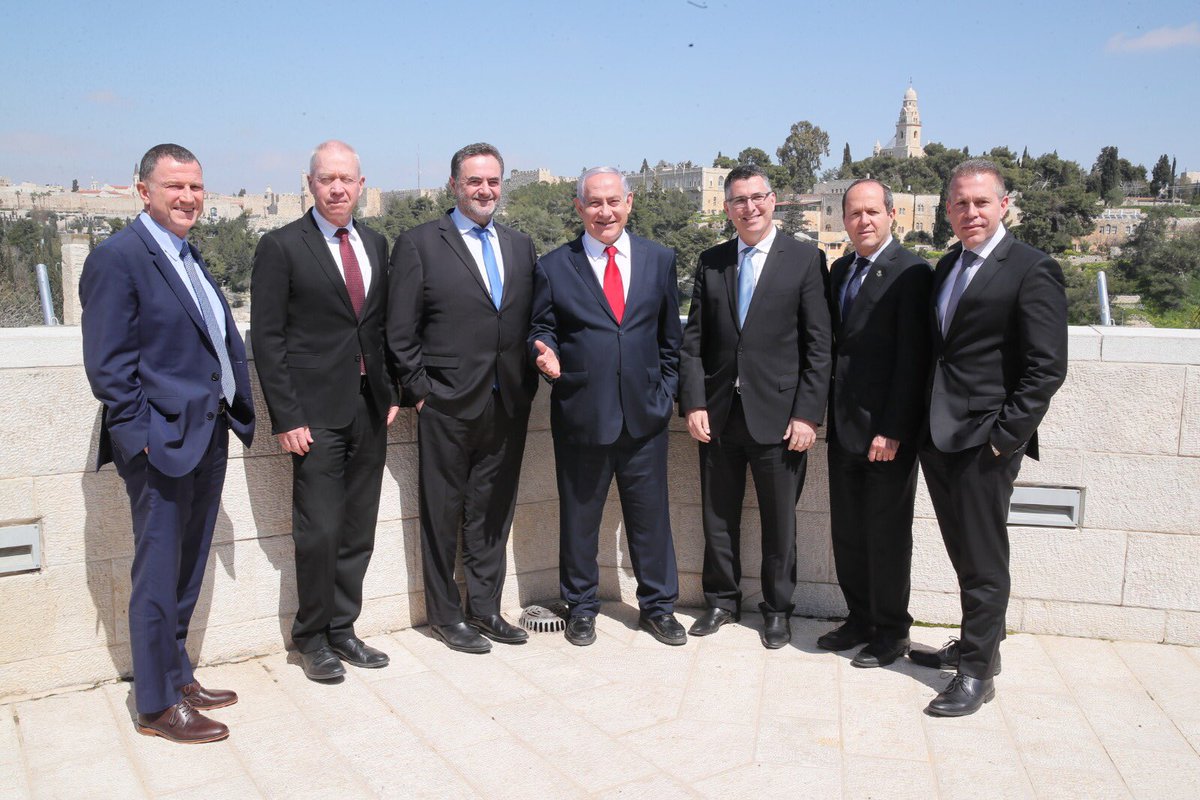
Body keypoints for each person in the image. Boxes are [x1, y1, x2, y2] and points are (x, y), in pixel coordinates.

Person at [81, 143, 255, 743]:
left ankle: (176, 675)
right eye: (174, 186)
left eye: (195, 187)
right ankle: (155, 705)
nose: (187, 198)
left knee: (186, 566)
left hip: (206, 432)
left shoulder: (186, 253)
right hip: (162, 444)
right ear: (143, 191)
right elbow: (108, 368)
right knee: (157, 576)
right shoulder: (118, 258)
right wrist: (143, 439)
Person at [916, 159, 1067, 716]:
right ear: (947, 209)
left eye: (981, 202)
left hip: (985, 441)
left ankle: (977, 673)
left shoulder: (1032, 268)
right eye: (960, 203)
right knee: (963, 551)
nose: (970, 212)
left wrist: (1005, 438)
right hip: (939, 436)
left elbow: (1046, 367)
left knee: (983, 557)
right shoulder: (947, 263)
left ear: (1004, 205)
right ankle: (979, 644)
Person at [251, 140, 397, 681]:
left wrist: (391, 390)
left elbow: (379, 326)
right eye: (326, 178)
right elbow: (268, 338)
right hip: (312, 413)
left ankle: (343, 629)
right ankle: (311, 638)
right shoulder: (281, 246)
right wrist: (286, 416)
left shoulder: (376, 243)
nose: (337, 188)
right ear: (309, 183)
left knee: (358, 527)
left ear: (361, 185)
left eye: (346, 179)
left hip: (369, 407)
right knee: (318, 529)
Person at [388, 143, 538, 654]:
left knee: (493, 511)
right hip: (446, 404)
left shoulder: (520, 245)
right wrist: (421, 393)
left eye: (493, 181)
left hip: (508, 401)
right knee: (442, 513)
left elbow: (527, 319)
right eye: (474, 181)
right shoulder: (419, 244)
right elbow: (400, 330)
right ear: (454, 185)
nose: (485, 190)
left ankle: (486, 608)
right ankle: (445, 616)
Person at [529, 167, 685, 647]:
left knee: (651, 518)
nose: (605, 212)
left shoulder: (660, 259)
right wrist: (544, 352)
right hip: (582, 413)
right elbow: (542, 327)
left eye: (613, 201)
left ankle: (658, 608)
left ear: (629, 203)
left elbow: (671, 339)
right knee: (580, 518)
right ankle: (581, 607)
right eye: (594, 203)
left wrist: (665, 393)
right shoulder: (554, 266)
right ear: (579, 207)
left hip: (645, 416)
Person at [679, 164, 831, 649]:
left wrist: (807, 414)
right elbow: (693, 342)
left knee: (779, 522)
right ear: (727, 209)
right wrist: (693, 403)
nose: (750, 207)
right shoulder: (712, 262)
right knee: (717, 518)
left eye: (757, 197)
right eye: (739, 200)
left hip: (781, 418)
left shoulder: (804, 259)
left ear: (772, 200)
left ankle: (777, 610)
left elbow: (819, 345)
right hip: (719, 414)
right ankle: (721, 602)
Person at [817, 179, 932, 666]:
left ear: (891, 216)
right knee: (848, 531)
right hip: (843, 427)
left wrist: (893, 428)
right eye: (854, 213)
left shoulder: (913, 272)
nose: (863, 221)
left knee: (886, 534)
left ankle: (891, 630)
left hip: (886, 433)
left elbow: (914, 358)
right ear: (844, 220)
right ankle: (859, 618)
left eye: (872, 212)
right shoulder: (841, 269)